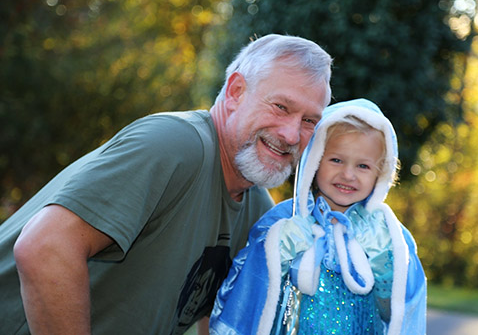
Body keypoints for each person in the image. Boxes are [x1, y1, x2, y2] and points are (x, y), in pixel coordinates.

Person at [0, 34, 333, 335]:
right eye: (280, 107)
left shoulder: (258, 208)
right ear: (235, 92)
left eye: (308, 121)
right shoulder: (174, 145)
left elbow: (215, 321)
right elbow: (44, 248)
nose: (291, 135)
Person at [209, 99, 427, 335]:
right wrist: (276, 250)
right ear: (314, 160)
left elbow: (397, 312)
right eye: (336, 160)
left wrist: (385, 262)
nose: (348, 174)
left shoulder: (387, 234)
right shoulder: (286, 220)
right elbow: (249, 290)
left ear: (381, 173)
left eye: (363, 166)